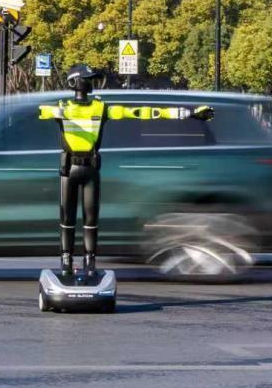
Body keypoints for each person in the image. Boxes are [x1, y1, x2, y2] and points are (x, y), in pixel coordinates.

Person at [39, 65, 214, 279]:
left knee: (91, 218)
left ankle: (89, 260)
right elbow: (41, 112)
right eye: (87, 79)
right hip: (69, 168)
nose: (92, 83)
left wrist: (189, 114)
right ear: (75, 82)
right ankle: (66, 259)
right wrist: (56, 113)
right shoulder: (62, 106)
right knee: (67, 217)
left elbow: (141, 112)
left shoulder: (100, 108)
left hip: (91, 167)